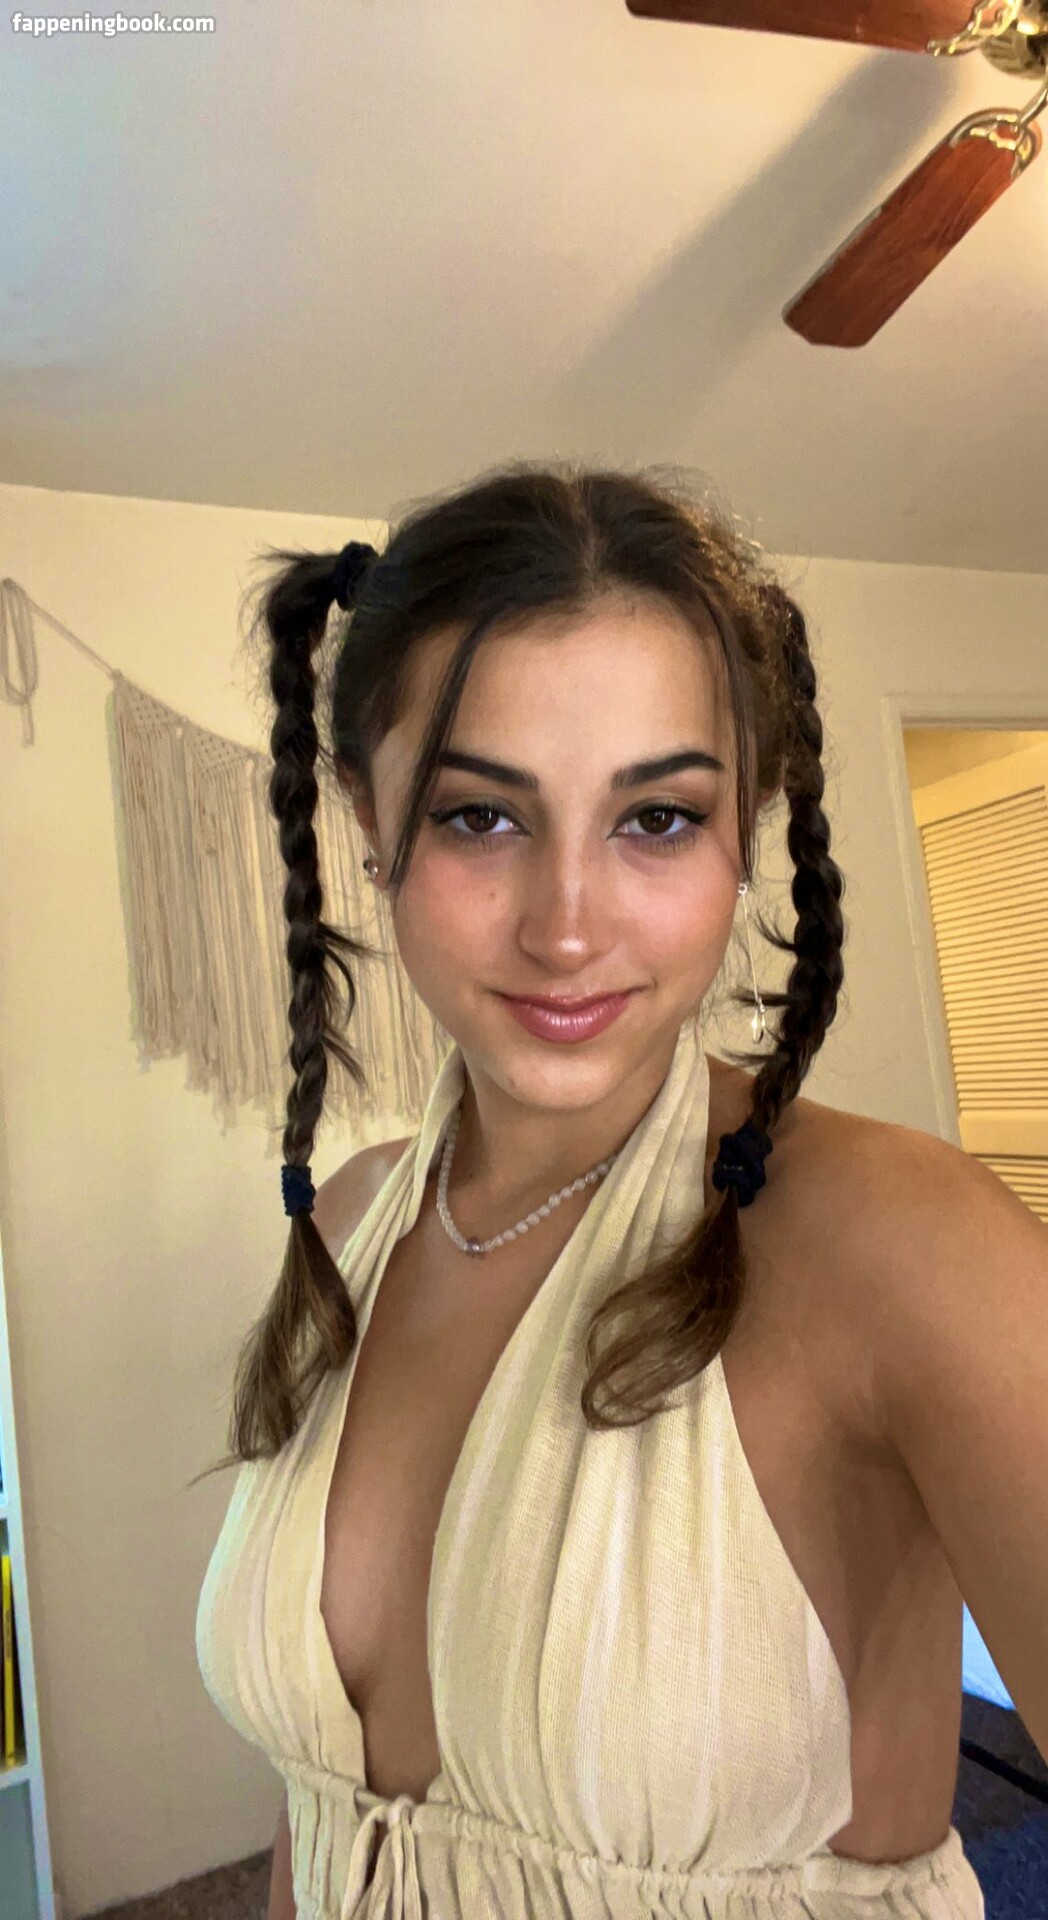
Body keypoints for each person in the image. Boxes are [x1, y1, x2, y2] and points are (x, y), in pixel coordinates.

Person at [195, 461, 984, 1918]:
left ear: (749, 827)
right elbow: (331, 1814)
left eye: (658, 819)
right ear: (368, 816)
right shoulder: (353, 1219)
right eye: (479, 818)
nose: (567, 927)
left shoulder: (904, 1243)